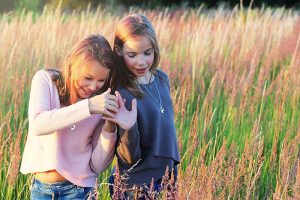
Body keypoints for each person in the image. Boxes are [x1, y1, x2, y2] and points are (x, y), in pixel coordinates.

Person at [20, 34, 136, 200]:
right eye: (88, 78)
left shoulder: (101, 100)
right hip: (41, 190)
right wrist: (88, 107)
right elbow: (38, 124)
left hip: (80, 191)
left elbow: (97, 165)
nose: (93, 86)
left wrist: (109, 127)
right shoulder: (45, 80)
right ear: (72, 65)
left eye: (101, 80)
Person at [107, 14, 181, 198]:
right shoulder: (121, 92)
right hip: (136, 186)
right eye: (132, 55)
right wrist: (128, 127)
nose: (141, 62)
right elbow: (128, 158)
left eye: (147, 53)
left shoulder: (162, 79)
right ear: (118, 50)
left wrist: (172, 177)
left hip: (164, 181)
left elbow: (166, 133)